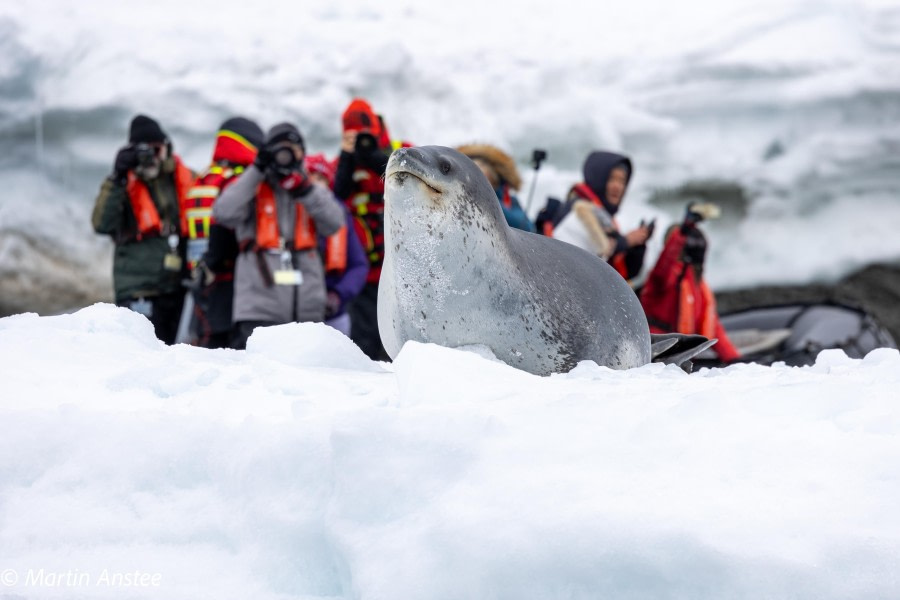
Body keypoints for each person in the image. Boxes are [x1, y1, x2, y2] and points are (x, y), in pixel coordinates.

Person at [212, 122, 345, 349]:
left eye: (292, 149)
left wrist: (305, 190)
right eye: (279, 149)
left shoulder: (311, 189)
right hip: (259, 309)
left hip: (307, 310)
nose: (285, 155)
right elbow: (223, 212)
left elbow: (335, 223)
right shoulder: (251, 187)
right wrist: (257, 169)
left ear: (302, 154)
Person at [91, 114, 195, 344]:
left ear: (167, 148)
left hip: (175, 287)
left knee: (175, 355)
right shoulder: (121, 183)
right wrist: (117, 177)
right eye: (144, 151)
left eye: (156, 150)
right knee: (141, 353)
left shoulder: (184, 178)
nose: (151, 158)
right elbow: (101, 223)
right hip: (138, 286)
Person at [184, 117, 265, 348]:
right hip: (232, 279)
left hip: (201, 277)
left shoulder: (204, 178)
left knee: (205, 343)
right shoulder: (239, 181)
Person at [333, 97, 402, 361]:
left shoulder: (399, 151)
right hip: (363, 264)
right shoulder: (346, 162)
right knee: (363, 337)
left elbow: (407, 178)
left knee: (395, 334)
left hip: (396, 261)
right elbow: (336, 196)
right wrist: (347, 157)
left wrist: (375, 157)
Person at [639, 203, 742, 363]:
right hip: (657, 352)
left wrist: (735, 360)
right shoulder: (660, 277)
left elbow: (713, 326)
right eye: (677, 241)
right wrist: (684, 231)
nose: (682, 246)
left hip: (681, 355)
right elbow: (666, 262)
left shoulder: (696, 284)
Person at [550, 151, 652, 282]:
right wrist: (626, 241)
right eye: (612, 179)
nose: (618, 186)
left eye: (622, 181)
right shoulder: (578, 211)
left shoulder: (604, 218)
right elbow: (587, 258)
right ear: (598, 178)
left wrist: (637, 245)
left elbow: (623, 273)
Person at [305, 153, 369, 337]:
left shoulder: (341, 214)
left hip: (332, 312)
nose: (315, 183)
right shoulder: (288, 212)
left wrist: (338, 295)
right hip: (294, 309)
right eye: (310, 177)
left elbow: (358, 265)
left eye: (321, 178)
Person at [456, 143, 536, 232]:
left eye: (482, 179)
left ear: (495, 181)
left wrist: (484, 199)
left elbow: (526, 227)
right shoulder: (455, 199)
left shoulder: (511, 202)